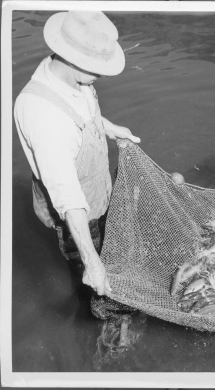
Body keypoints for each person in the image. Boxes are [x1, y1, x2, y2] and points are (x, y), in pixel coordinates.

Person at [14, 11, 141, 297]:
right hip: (74, 210)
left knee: (112, 248)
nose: (102, 75)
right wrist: (92, 263)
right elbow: (69, 198)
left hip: (96, 188)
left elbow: (79, 119)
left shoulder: (68, 74)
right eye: (97, 68)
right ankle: (96, 312)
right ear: (72, 58)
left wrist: (107, 127)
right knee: (93, 276)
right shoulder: (44, 115)